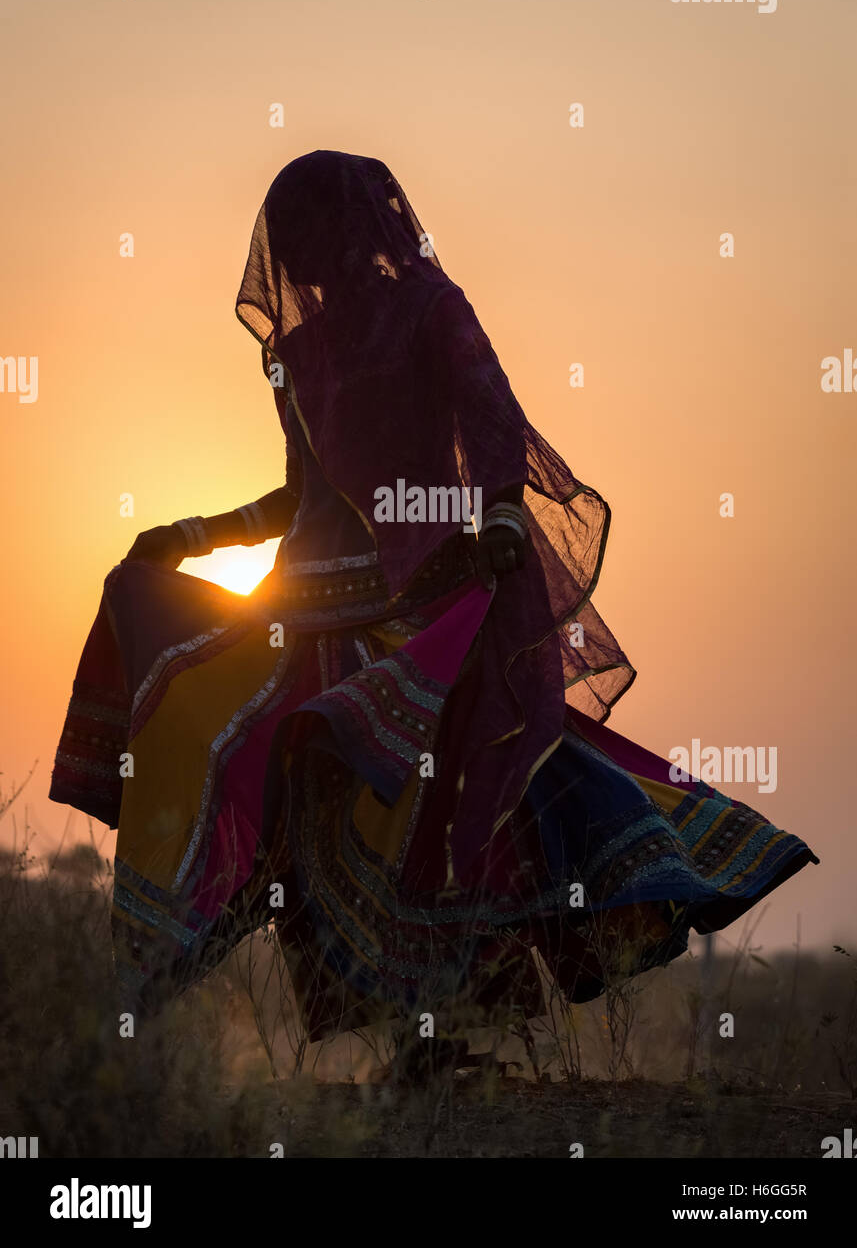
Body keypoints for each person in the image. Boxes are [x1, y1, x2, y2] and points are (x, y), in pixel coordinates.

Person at [50, 149, 817, 1063]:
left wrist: (496, 513)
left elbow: (494, 419)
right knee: (269, 771)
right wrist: (187, 537)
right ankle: (407, 1035)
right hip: (297, 614)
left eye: (310, 231)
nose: (297, 255)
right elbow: (301, 498)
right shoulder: (295, 355)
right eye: (284, 239)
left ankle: (454, 1030)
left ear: (358, 227)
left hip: (421, 604)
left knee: (459, 794)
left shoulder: (431, 312)